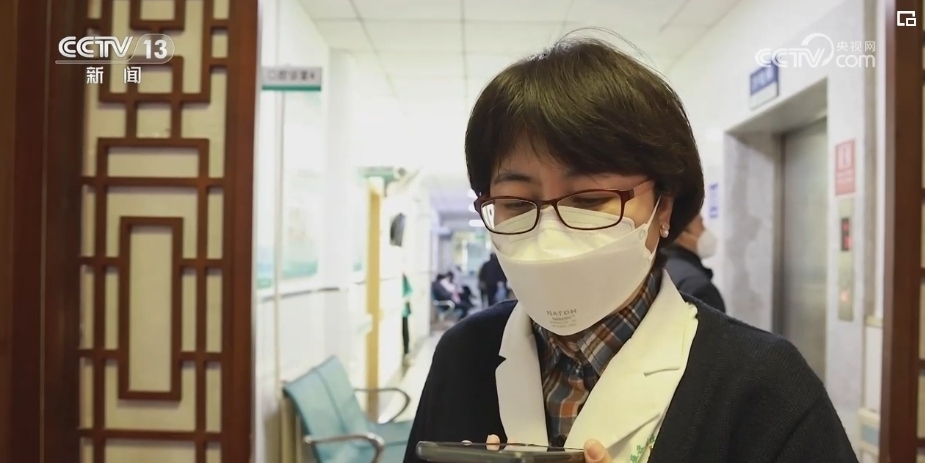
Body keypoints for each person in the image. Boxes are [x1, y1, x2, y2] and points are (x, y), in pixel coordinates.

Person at [404, 37, 855, 463]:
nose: (549, 234)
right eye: (516, 204)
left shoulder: (766, 387)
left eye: (590, 199)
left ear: (664, 207)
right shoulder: (464, 353)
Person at [664, 214, 726, 313]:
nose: (706, 232)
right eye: (701, 225)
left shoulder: (662, 270)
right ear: (681, 235)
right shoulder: (698, 287)